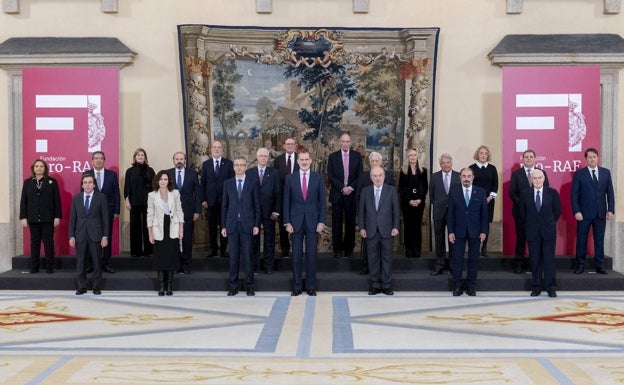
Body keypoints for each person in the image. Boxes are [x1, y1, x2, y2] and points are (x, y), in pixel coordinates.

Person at [283, 150, 326, 296]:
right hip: (295, 223)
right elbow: (286, 202)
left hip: (313, 222)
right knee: (296, 255)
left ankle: (311, 286)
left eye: (306, 159)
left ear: (311, 160)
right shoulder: (290, 178)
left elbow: (322, 202)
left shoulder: (318, 178)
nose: (304, 162)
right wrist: (287, 222)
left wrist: (321, 222)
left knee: (311, 255)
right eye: (301, 159)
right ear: (298, 161)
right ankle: (296, 287)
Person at [571, 147, 615, 275]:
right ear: (586, 159)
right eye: (589, 157)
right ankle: (580, 265)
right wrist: (576, 211)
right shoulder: (579, 174)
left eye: (594, 156)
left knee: (599, 240)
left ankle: (600, 266)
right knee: (581, 239)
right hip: (583, 214)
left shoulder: (606, 173)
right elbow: (574, 195)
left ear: (597, 158)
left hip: (601, 213)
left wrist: (610, 209)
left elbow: (610, 193)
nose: (592, 159)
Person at [222, 157, 261, 296]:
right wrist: (223, 226)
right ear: (233, 167)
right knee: (233, 257)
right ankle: (233, 286)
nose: (239, 167)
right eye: (237, 165)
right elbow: (224, 206)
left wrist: (256, 224)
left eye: (242, 165)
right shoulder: (228, 183)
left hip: (247, 225)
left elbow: (257, 206)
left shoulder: (252, 183)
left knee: (248, 257)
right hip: (232, 225)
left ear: (245, 167)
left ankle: (250, 285)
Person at [359, 166, 400, 296]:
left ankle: (387, 285)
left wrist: (396, 227)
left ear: (384, 176)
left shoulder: (391, 190)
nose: (377, 178)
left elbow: (396, 211)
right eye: (375, 176)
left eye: (380, 175)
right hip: (370, 230)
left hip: (387, 230)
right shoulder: (365, 191)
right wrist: (362, 227)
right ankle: (375, 285)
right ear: (371, 177)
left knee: (387, 258)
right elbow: (361, 212)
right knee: (373, 259)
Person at [447, 167, 489, 296]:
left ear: (473, 178)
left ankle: (471, 286)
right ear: (460, 177)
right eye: (464, 176)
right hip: (458, 231)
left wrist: (484, 231)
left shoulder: (481, 192)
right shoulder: (454, 192)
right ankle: (457, 286)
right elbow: (450, 214)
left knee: (473, 259)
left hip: (475, 232)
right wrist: (451, 231)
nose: (466, 178)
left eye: (469, 176)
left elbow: (484, 215)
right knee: (457, 259)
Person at [521, 169, 561, 298]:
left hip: (548, 231)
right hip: (532, 232)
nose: (537, 180)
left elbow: (557, 211)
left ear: (544, 179)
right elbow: (523, 213)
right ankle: (536, 287)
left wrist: (548, 223)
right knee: (535, 260)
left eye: (539, 178)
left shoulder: (552, 193)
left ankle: (551, 288)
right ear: (531, 180)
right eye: (535, 178)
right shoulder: (525, 193)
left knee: (549, 260)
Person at [509, 149, 549, 274]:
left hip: (537, 214)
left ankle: (535, 265)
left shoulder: (542, 173)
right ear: (523, 159)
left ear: (535, 158)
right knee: (521, 238)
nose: (529, 159)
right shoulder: (516, 174)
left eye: (531, 156)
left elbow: (546, 191)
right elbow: (512, 193)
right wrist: (524, 205)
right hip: (520, 212)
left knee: (536, 239)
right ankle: (519, 264)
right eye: (526, 157)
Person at [19, 159, 62, 274]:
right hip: (33, 219)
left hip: (48, 219)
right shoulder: (27, 182)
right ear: (33, 168)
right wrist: (23, 217)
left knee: (48, 243)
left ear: (45, 168)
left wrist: (57, 216)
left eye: (41, 166)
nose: (39, 168)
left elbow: (56, 200)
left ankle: (49, 268)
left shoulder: (52, 182)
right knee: (35, 243)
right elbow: (24, 201)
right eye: (36, 166)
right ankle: (34, 268)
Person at [69, 173, 109, 295]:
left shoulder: (101, 198)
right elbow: (73, 219)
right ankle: (82, 286)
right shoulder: (76, 198)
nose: (87, 185)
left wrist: (105, 236)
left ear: (94, 184)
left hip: (96, 234)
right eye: (85, 182)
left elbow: (105, 219)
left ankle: (96, 286)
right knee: (80, 262)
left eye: (90, 182)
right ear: (82, 185)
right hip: (80, 235)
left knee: (97, 261)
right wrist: (71, 235)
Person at [356, 151, 395, 275]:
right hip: (370, 222)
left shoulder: (388, 178)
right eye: (372, 161)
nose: (374, 163)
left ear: (381, 162)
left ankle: (385, 282)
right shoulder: (363, 178)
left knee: (385, 256)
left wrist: (395, 225)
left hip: (385, 223)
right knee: (370, 254)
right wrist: (362, 224)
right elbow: (359, 200)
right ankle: (368, 272)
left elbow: (394, 205)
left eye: (376, 161)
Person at [147, 170, 184, 296]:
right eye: (161, 179)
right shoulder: (152, 195)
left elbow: (179, 211)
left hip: (172, 227)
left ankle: (169, 286)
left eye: (165, 179)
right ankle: (162, 286)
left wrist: (181, 229)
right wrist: (150, 233)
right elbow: (150, 215)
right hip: (159, 229)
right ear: (157, 181)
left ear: (169, 181)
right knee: (160, 259)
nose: (163, 181)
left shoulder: (175, 193)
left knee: (171, 258)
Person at [327, 133, 363, 258]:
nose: (345, 143)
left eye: (348, 141)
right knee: (336, 223)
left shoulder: (357, 156)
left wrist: (350, 188)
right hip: (337, 194)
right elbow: (330, 176)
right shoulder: (332, 157)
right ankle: (337, 250)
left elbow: (360, 175)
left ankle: (349, 249)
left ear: (350, 143)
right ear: (340, 142)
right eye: (343, 141)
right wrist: (342, 188)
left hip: (351, 194)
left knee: (350, 223)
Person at [246, 148, 281, 274]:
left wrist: (276, 211)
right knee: (253, 240)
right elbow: (246, 194)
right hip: (253, 213)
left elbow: (278, 193)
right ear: (257, 157)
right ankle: (254, 266)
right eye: (261, 156)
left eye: (266, 156)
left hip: (269, 212)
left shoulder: (274, 173)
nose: (263, 158)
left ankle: (268, 266)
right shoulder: (249, 173)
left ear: (268, 158)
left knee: (269, 239)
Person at [85, 151, 120, 273]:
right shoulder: (86, 174)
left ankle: (107, 263)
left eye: (101, 158)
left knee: (107, 237)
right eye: (96, 158)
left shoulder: (112, 175)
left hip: (108, 211)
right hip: (91, 213)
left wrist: (117, 210)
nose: (98, 160)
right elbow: (83, 193)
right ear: (92, 161)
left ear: (104, 160)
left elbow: (116, 193)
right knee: (91, 237)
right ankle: (91, 264)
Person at [168, 151, 201, 274]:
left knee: (187, 238)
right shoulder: (168, 173)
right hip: (172, 212)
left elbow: (198, 194)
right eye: (177, 159)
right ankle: (176, 264)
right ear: (173, 161)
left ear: (185, 160)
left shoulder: (192, 174)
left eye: (181, 159)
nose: (179, 161)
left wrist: (197, 211)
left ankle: (186, 264)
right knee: (174, 239)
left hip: (188, 211)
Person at [201, 140, 234, 258]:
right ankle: (213, 249)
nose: (216, 149)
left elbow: (232, 183)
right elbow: (203, 183)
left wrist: (231, 200)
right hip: (210, 201)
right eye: (214, 147)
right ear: (211, 150)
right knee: (212, 226)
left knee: (224, 225)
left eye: (219, 147)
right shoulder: (206, 164)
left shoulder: (229, 164)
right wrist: (203, 199)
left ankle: (224, 250)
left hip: (225, 200)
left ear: (222, 150)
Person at [429, 153, 461, 275]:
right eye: (443, 163)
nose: (446, 165)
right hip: (439, 213)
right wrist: (438, 205)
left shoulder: (459, 176)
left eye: (448, 162)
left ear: (451, 163)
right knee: (439, 240)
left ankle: (453, 266)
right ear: (440, 164)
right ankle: (439, 265)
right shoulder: (434, 177)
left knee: (454, 240)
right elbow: (431, 195)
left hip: (454, 214)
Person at [124, 148, 155, 258]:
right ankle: (136, 252)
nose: (140, 157)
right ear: (135, 157)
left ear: (145, 157)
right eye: (138, 155)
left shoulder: (150, 170)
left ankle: (148, 251)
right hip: (134, 202)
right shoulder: (129, 171)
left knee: (148, 227)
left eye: (142, 155)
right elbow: (127, 187)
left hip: (148, 203)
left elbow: (154, 187)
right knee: (135, 227)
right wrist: (127, 201)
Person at [398, 148, 428, 258]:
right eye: (410, 155)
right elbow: (401, 188)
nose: (412, 157)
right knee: (408, 227)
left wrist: (419, 199)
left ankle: (417, 250)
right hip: (407, 204)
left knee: (416, 226)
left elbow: (425, 187)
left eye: (414, 155)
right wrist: (409, 200)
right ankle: (409, 250)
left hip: (419, 204)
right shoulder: (403, 170)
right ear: (408, 157)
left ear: (418, 156)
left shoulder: (423, 170)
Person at [469, 145, 498, 257]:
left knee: (485, 223)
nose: (483, 155)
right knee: (475, 223)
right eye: (481, 153)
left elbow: (495, 185)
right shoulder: (471, 168)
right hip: (475, 201)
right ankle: (475, 246)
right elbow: (469, 185)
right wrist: (477, 199)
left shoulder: (492, 168)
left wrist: (490, 197)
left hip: (489, 201)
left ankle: (484, 247)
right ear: (478, 154)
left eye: (485, 153)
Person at [274, 137, 299, 258]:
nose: (289, 146)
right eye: (287, 144)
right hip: (283, 197)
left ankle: (297, 250)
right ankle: (285, 251)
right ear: (284, 146)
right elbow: (275, 180)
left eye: (292, 144)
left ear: (295, 146)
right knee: (284, 224)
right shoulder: (278, 160)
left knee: (297, 223)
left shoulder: (301, 159)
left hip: (298, 199)